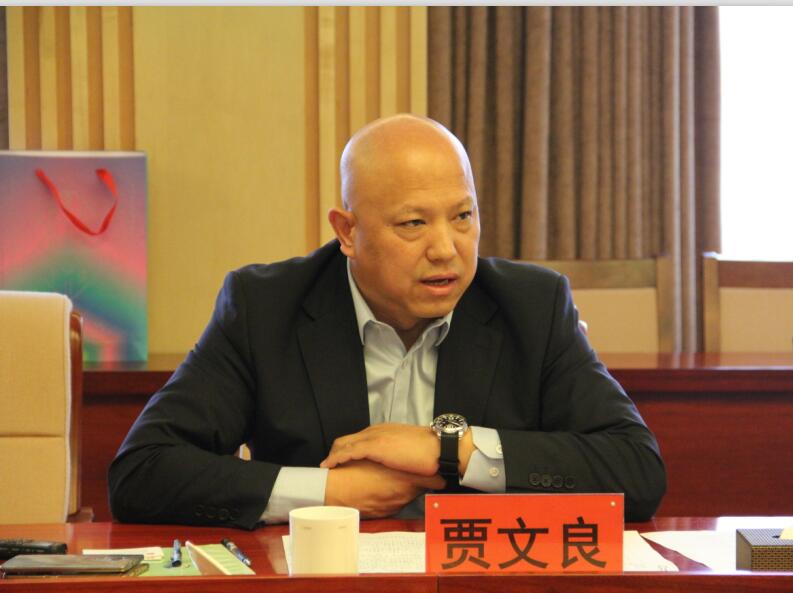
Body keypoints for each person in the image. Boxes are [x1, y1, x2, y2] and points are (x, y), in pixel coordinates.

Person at [108, 114, 666, 529]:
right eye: (413, 224)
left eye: (463, 216)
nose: (446, 249)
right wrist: (329, 493)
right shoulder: (266, 308)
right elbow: (142, 472)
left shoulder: (532, 306)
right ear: (348, 232)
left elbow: (637, 470)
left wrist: (451, 450)